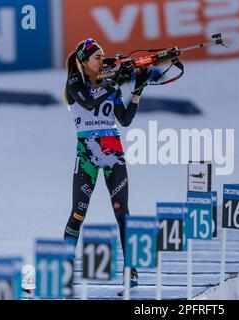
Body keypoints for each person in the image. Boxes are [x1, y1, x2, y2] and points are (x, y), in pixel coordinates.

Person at [63, 38, 147, 292]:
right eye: (97, 57)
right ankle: (63, 271)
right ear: (84, 62)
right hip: (87, 153)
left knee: (123, 214)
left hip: (113, 151)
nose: (102, 61)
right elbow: (88, 101)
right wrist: (113, 84)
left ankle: (131, 272)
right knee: (78, 213)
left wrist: (137, 91)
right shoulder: (74, 83)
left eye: (103, 56)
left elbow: (124, 119)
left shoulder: (109, 84)